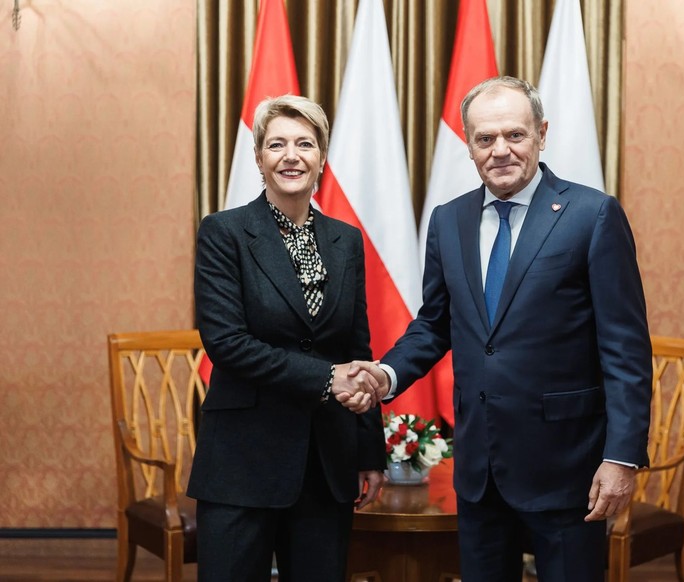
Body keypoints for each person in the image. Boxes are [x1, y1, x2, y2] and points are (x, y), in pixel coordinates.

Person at [354, 76, 652, 582]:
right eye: (485, 139)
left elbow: (625, 349)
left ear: (542, 133)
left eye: (515, 135)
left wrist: (621, 457)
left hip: (568, 469)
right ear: (468, 145)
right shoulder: (449, 221)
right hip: (480, 470)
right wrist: (387, 375)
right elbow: (434, 326)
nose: (501, 151)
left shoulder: (592, 215)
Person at [188, 94, 386, 582]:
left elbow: (356, 350)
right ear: (258, 158)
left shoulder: (346, 240)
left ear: (322, 157)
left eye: (305, 143)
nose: (291, 156)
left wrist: (368, 452)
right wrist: (326, 378)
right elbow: (227, 344)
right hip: (242, 461)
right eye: (276, 144)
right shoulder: (224, 233)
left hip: (327, 461)